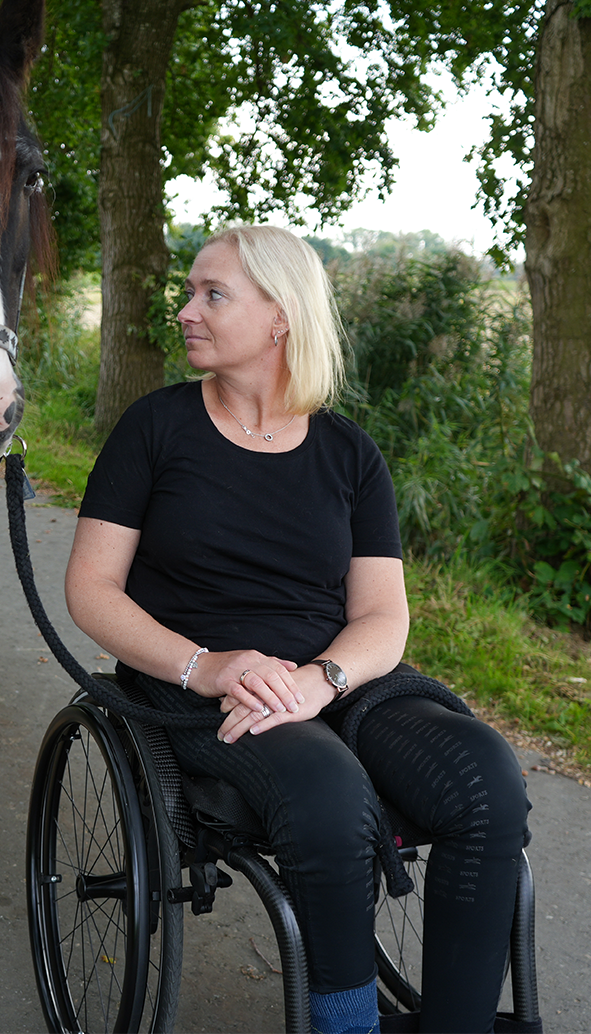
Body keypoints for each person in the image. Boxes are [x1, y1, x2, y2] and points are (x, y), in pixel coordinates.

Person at [63, 225, 532, 1034]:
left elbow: (384, 616)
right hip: (205, 687)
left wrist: (321, 682)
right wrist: (207, 667)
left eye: (213, 294)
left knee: (486, 776)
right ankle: (348, 1026)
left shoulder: (350, 454)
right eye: (190, 291)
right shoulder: (156, 429)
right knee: (327, 795)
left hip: (338, 680)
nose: (186, 311)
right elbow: (91, 590)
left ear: (281, 318)